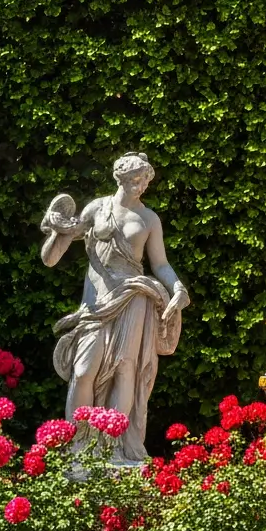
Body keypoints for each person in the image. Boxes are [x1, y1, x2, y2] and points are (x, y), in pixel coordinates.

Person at [40, 153, 189, 464]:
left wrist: (177, 288)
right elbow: (52, 256)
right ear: (120, 178)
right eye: (135, 180)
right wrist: (57, 228)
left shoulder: (149, 219)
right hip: (95, 304)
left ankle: (114, 449)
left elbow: (160, 264)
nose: (140, 186)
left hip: (134, 298)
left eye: (145, 181)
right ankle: (79, 446)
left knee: (125, 369)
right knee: (83, 371)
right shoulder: (98, 208)